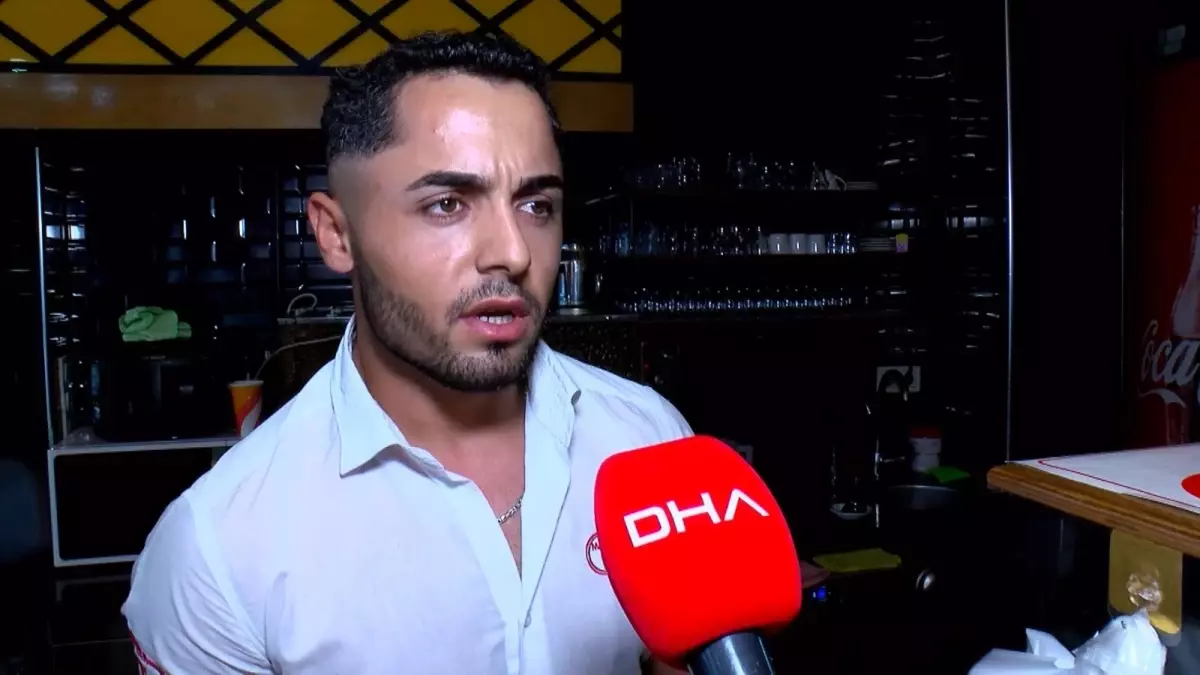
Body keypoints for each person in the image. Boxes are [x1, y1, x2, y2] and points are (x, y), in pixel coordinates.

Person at [122, 32, 693, 675]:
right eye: (447, 204)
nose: (512, 252)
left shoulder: (652, 441)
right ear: (336, 235)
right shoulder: (216, 549)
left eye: (537, 205)